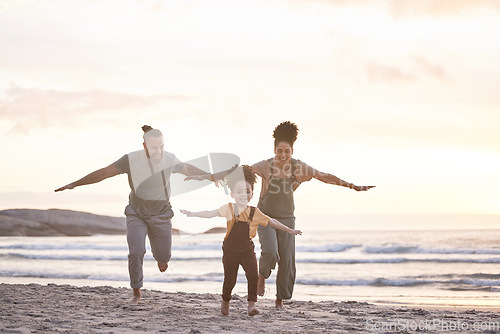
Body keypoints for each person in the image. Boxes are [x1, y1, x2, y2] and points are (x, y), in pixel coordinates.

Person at [55, 125, 229, 304]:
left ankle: (161, 257)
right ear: (144, 145)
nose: (159, 150)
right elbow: (105, 173)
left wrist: (211, 176)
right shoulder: (130, 160)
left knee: (163, 258)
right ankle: (136, 292)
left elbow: (188, 169)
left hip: (161, 214)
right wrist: (75, 183)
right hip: (136, 213)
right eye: (154, 147)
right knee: (136, 251)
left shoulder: (169, 158)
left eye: (161, 146)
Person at [251, 121, 375, 308]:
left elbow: (324, 176)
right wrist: (211, 176)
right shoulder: (265, 166)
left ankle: (279, 300)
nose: (283, 155)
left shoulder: (299, 167)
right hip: (265, 216)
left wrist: (352, 186)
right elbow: (242, 172)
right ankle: (262, 276)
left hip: (287, 217)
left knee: (287, 260)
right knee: (270, 252)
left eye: (287, 151)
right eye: (279, 151)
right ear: (274, 149)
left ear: (292, 150)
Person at [180, 165, 302, 316]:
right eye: (239, 192)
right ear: (232, 194)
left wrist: (290, 230)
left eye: (247, 191)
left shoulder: (255, 212)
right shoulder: (229, 209)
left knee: (253, 275)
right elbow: (210, 213)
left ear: (252, 194)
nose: (243, 194)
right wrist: (192, 214)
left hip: (246, 250)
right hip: (230, 250)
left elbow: (272, 222)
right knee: (230, 279)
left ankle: (251, 305)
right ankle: (225, 303)